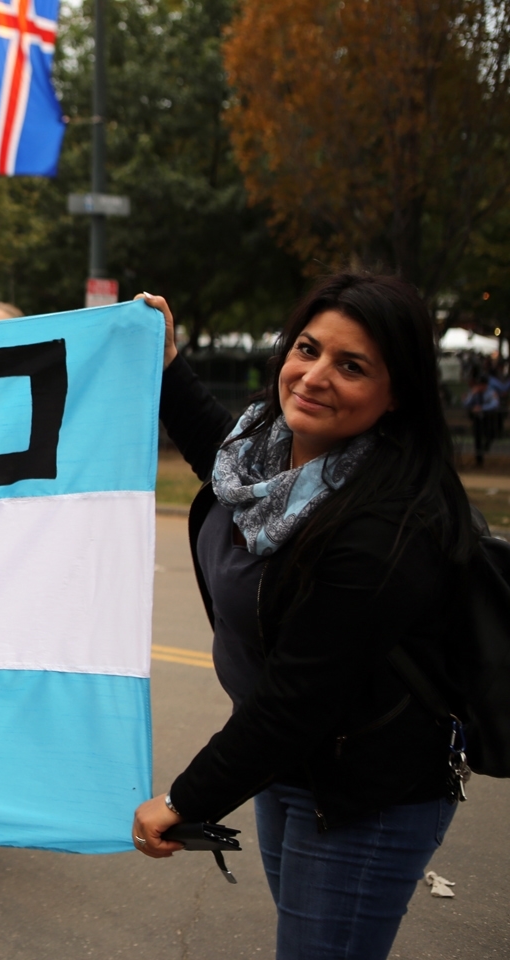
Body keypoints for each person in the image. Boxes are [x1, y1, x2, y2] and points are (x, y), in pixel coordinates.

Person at [132, 274, 471, 960]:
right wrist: (166, 361)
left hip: (363, 790)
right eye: (307, 349)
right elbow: (216, 455)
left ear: (396, 392)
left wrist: (184, 799)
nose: (314, 377)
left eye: (351, 366)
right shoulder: (266, 451)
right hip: (287, 767)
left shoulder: (390, 525)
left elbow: (299, 698)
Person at [463, 374, 499, 468]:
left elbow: (494, 404)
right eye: (479, 384)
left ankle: (485, 447)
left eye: (482, 384)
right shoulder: (474, 392)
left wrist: (482, 408)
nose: (480, 387)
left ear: (486, 385)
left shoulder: (490, 392)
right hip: (477, 419)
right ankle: (479, 460)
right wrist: (472, 395)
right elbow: (466, 404)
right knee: (477, 438)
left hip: (488, 418)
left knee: (491, 434)